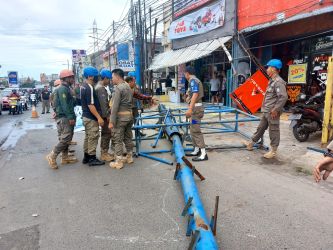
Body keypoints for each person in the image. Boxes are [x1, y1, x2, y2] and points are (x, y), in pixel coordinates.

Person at [243, 59, 288, 159]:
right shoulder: (272, 81)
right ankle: (251, 143)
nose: (267, 69)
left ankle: (273, 151)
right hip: (267, 111)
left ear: (273, 69)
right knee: (261, 128)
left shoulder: (279, 82)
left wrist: (275, 109)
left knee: (274, 130)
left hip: (273, 112)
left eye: (268, 67)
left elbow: (283, 97)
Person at [46, 69, 78, 169]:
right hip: (64, 117)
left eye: (73, 77)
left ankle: (65, 157)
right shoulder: (63, 89)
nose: (73, 79)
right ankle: (52, 155)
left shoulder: (65, 88)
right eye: (71, 77)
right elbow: (65, 105)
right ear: (65, 78)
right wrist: (70, 117)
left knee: (66, 138)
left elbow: (67, 102)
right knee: (66, 138)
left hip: (62, 116)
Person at [109, 68, 134, 169]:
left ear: (117, 76)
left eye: (112, 77)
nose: (112, 79)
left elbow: (115, 106)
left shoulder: (118, 88)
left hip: (120, 118)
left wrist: (111, 121)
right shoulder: (128, 86)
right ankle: (129, 156)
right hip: (129, 116)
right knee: (128, 137)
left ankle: (118, 161)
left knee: (118, 139)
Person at [80, 66, 105, 166]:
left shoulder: (83, 86)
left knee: (88, 137)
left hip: (85, 116)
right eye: (95, 76)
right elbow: (91, 105)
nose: (96, 78)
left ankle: (86, 157)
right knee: (93, 137)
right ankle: (92, 158)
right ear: (90, 76)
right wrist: (99, 118)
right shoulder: (89, 87)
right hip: (90, 117)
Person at [184, 66, 208, 161]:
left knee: (196, 130)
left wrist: (190, 109)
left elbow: (195, 94)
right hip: (195, 109)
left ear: (187, 73)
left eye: (185, 74)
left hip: (195, 110)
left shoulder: (193, 80)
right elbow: (192, 94)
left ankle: (203, 154)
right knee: (193, 129)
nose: (185, 75)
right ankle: (197, 149)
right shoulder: (193, 81)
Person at [95, 69, 114, 162]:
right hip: (104, 115)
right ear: (105, 78)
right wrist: (107, 116)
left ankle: (104, 152)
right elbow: (103, 104)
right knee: (106, 133)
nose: (109, 81)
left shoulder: (99, 87)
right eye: (109, 79)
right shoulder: (101, 88)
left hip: (102, 114)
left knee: (105, 134)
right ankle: (104, 154)